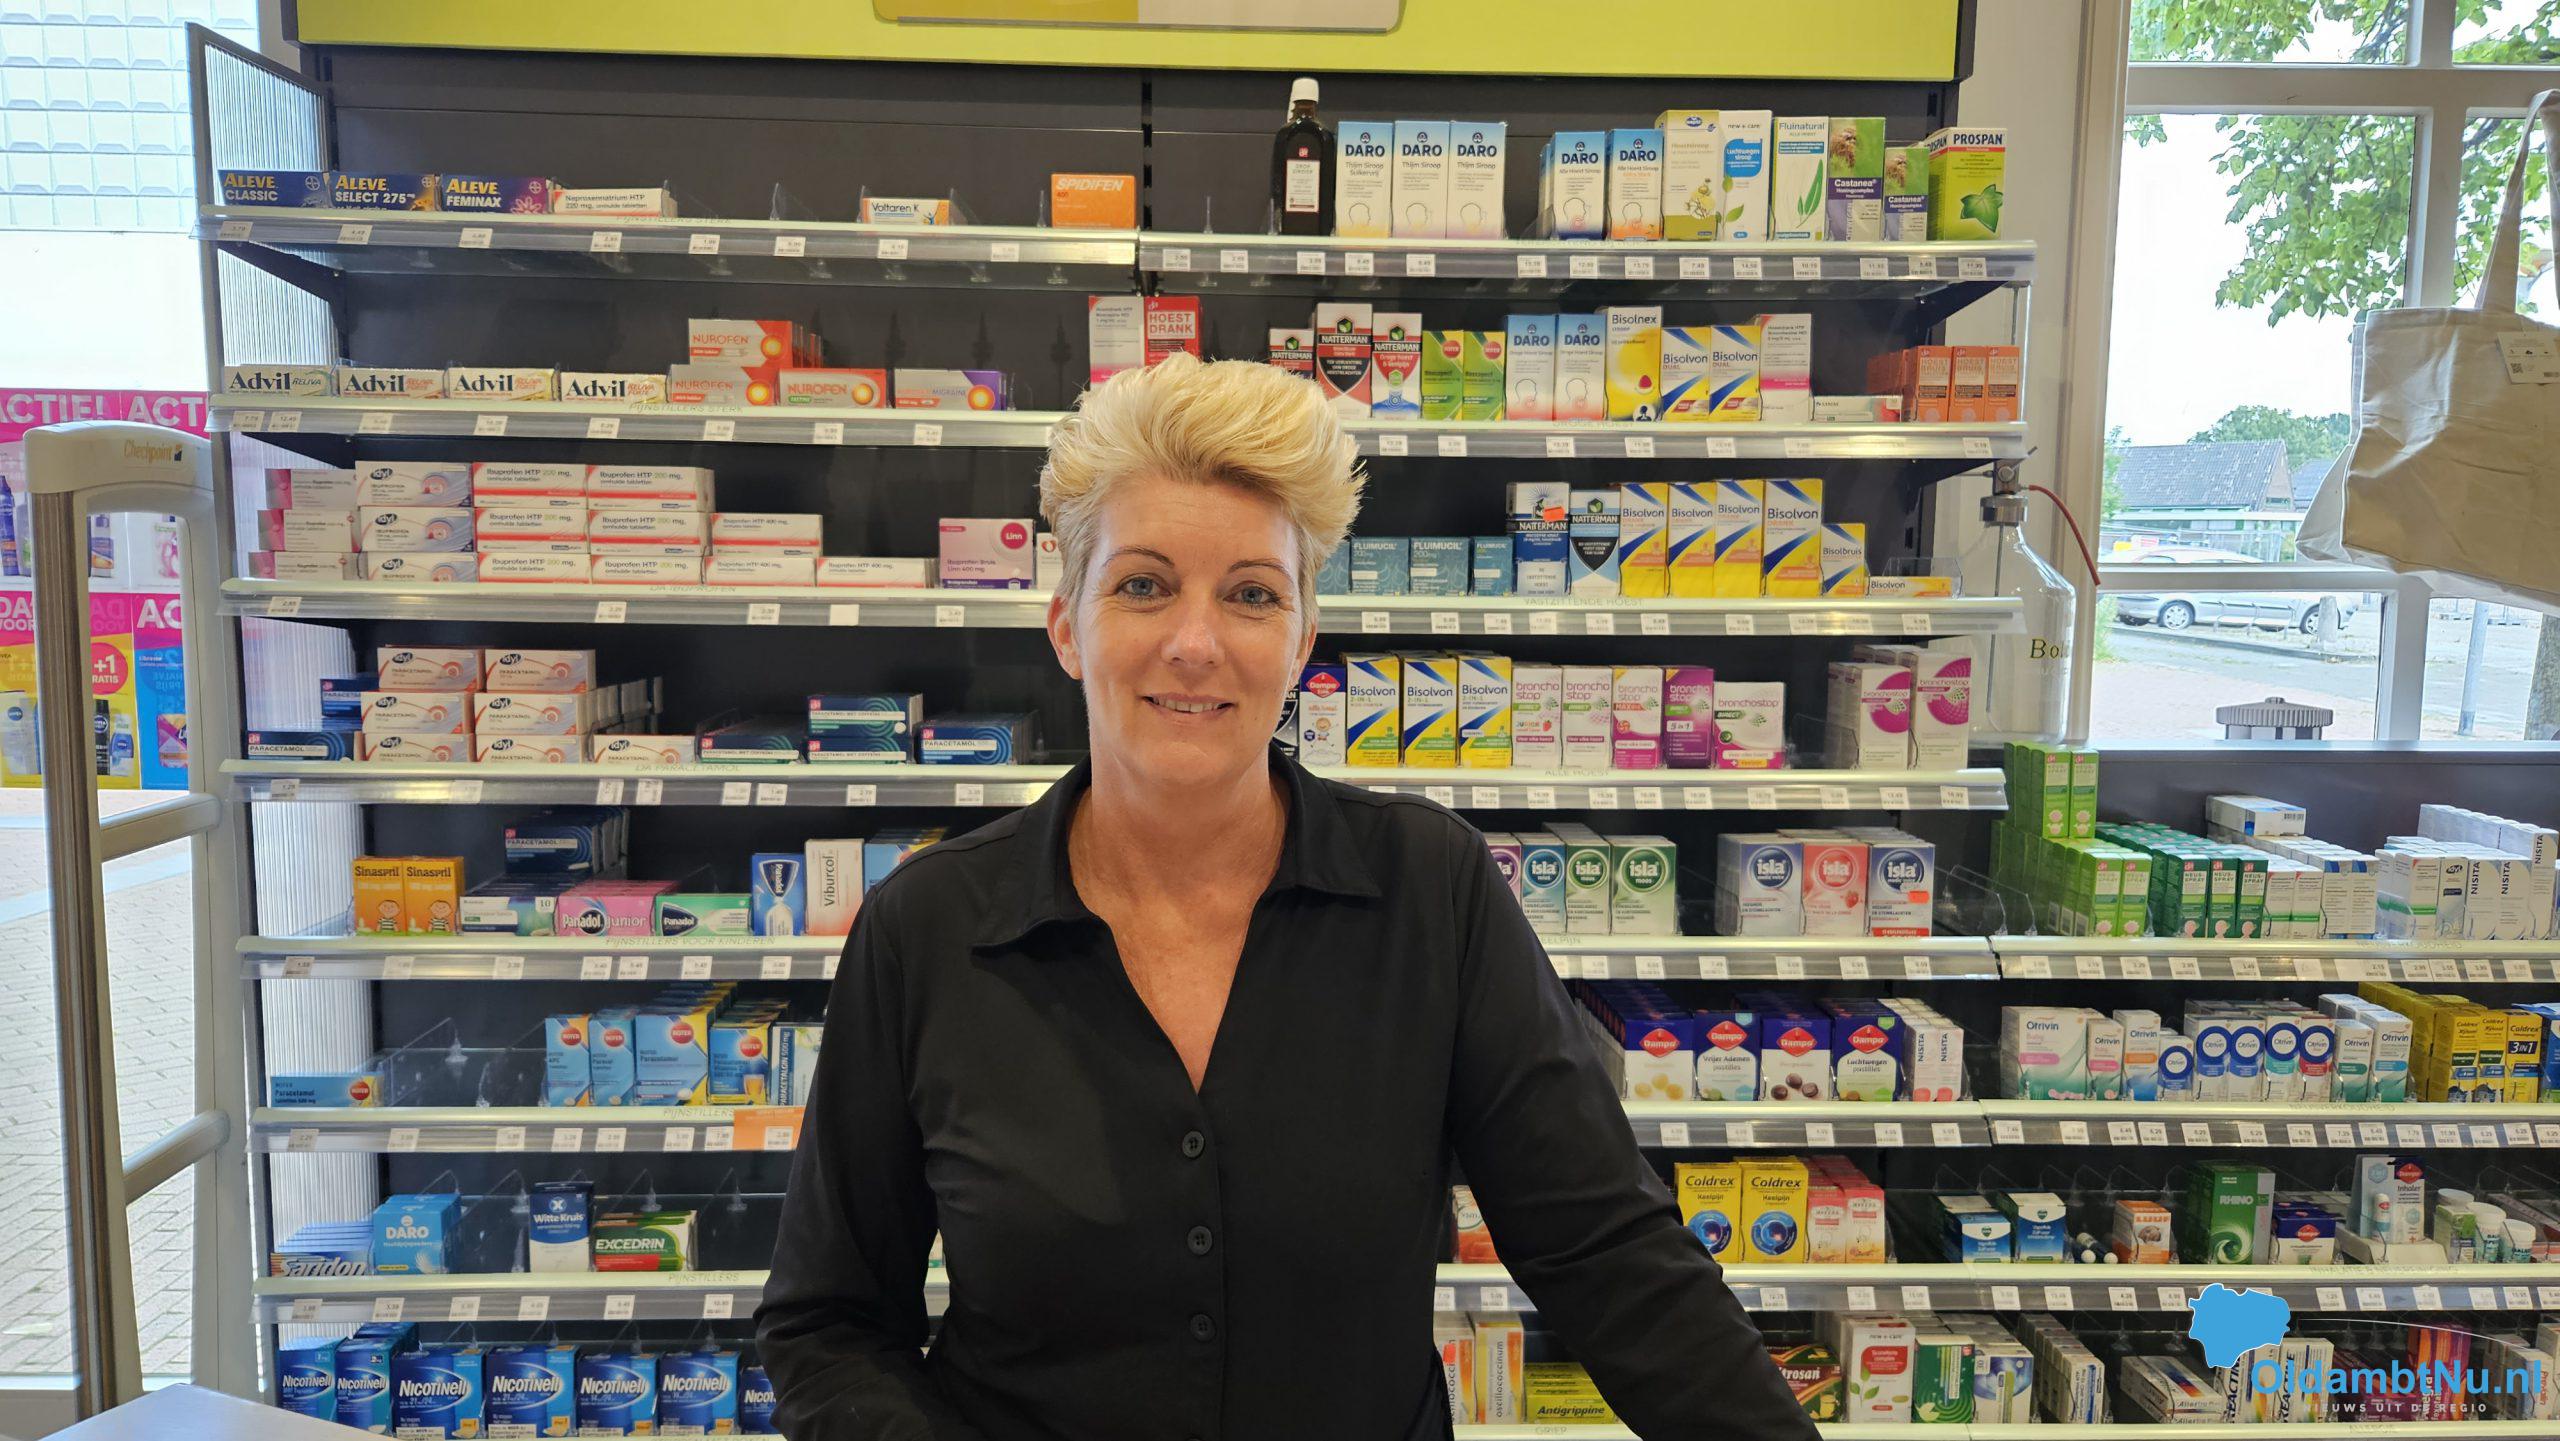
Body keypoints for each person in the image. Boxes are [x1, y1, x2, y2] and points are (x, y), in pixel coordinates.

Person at [757, 355, 1815, 1441]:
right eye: (1143, 585)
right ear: (1068, 625)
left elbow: (1607, 1252)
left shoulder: (1431, 891)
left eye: (1252, 594)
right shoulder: (928, 928)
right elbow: (829, 1322)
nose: (1196, 643)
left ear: (1303, 639)